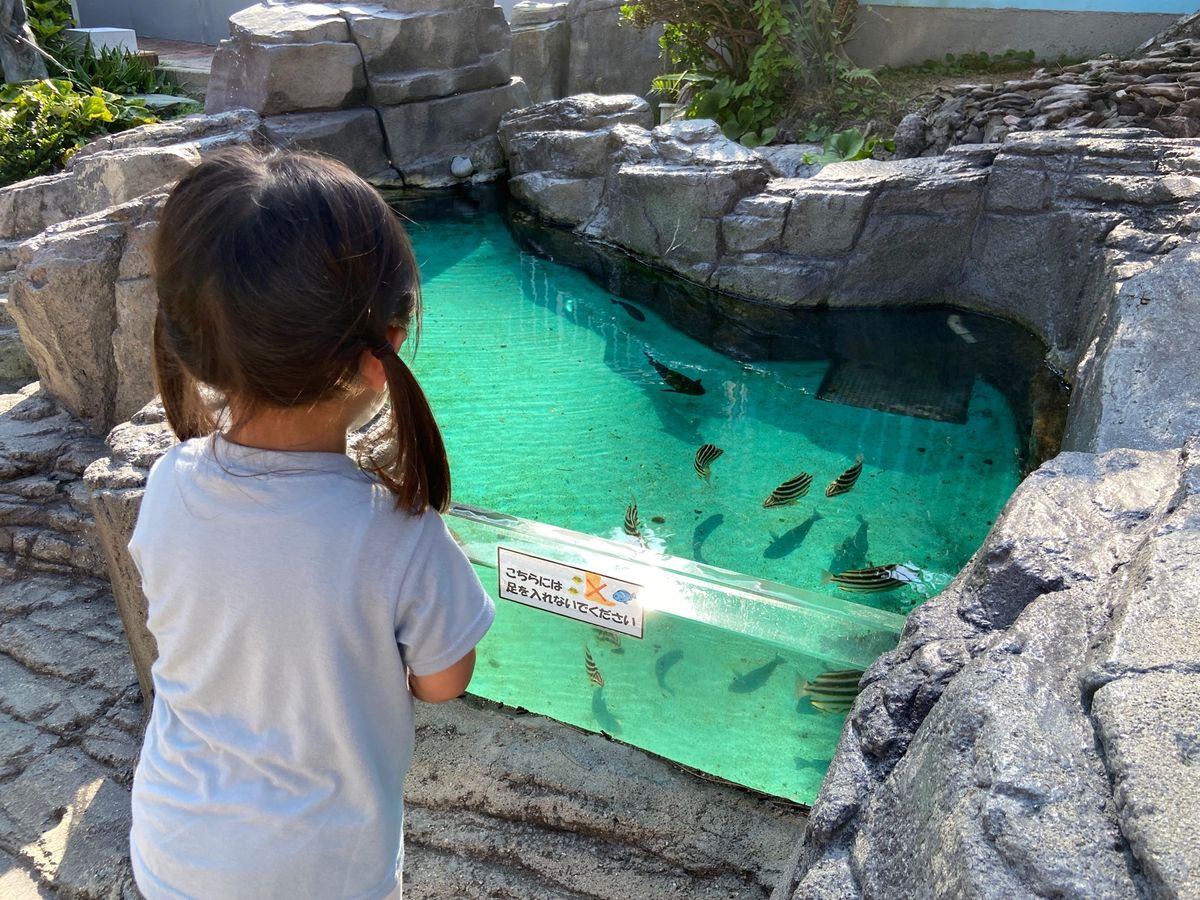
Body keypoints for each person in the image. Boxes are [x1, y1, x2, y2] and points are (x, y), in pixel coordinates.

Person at [127, 147, 495, 899]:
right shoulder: (398, 533)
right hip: (327, 873)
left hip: (173, 848)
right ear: (383, 352)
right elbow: (445, 680)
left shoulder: (168, 484)